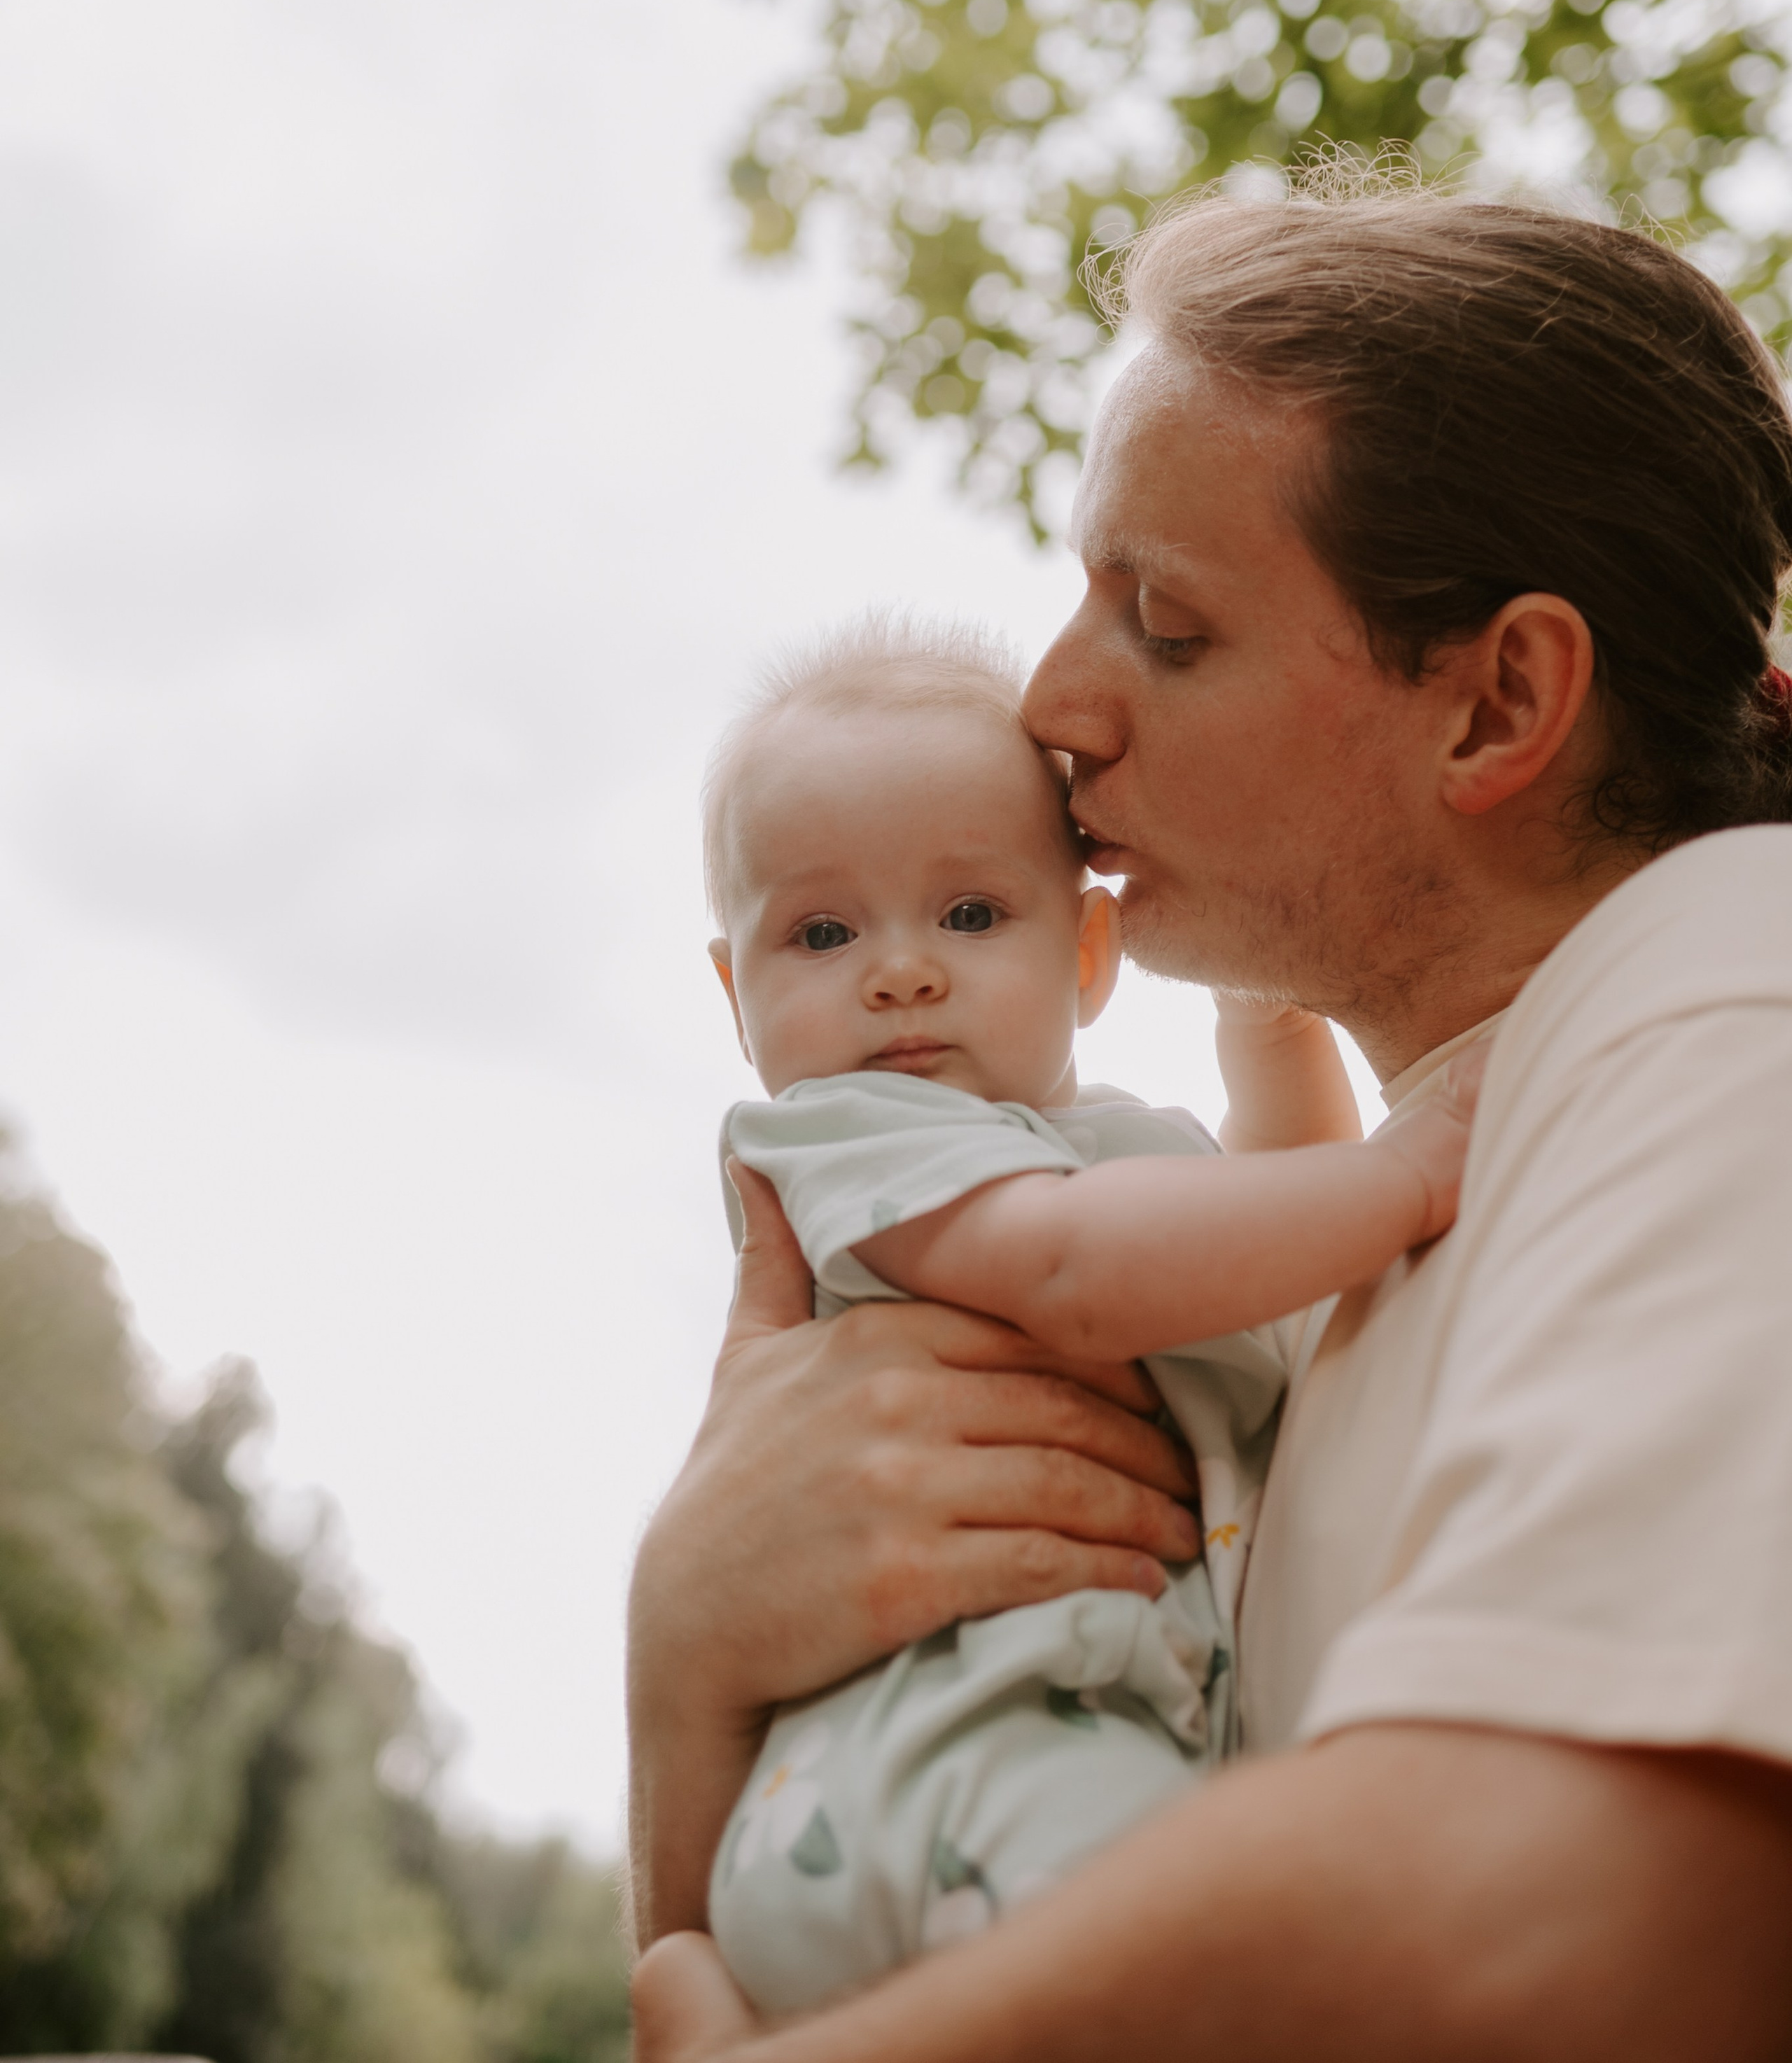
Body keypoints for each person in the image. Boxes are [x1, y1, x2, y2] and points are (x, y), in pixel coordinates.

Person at [628, 181, 1792, 2061]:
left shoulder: (1736, 998)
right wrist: (691, 1656)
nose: (1052, 699)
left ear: (1500, 703)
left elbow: (1586, 1909)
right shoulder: (1417, 1191)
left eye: (1163, 624)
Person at [699, 613, 1476, 2011]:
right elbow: (1071, 1264)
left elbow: (1273, 1236)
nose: (899, 970)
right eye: (820, 930)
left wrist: (1273, 1022)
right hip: (936, 1765)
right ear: (732, 988)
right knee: (1210, 1962)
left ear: (1088, 947)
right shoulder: (839, 1136)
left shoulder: (1122, 1147)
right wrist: (1407, 1170)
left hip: (1069, 1737)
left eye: (970, 913)